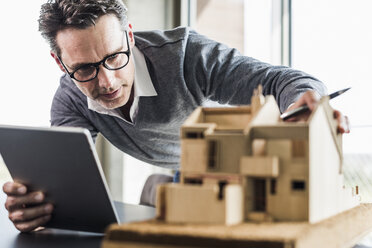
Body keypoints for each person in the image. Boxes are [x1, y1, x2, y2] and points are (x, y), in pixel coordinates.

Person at [2, 0, 349, 233]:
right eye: (84, 69)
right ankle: (163, 188)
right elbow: (69, 188)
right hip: (177, 165)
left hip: (227, 162)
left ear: (129, 36)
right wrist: (39, 206)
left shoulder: (187, 55)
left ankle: (164, 187)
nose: (107, 82)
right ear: (60, 63)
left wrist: (309, 103)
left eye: (114, 57)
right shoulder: (69, 100)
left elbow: (283, 80)